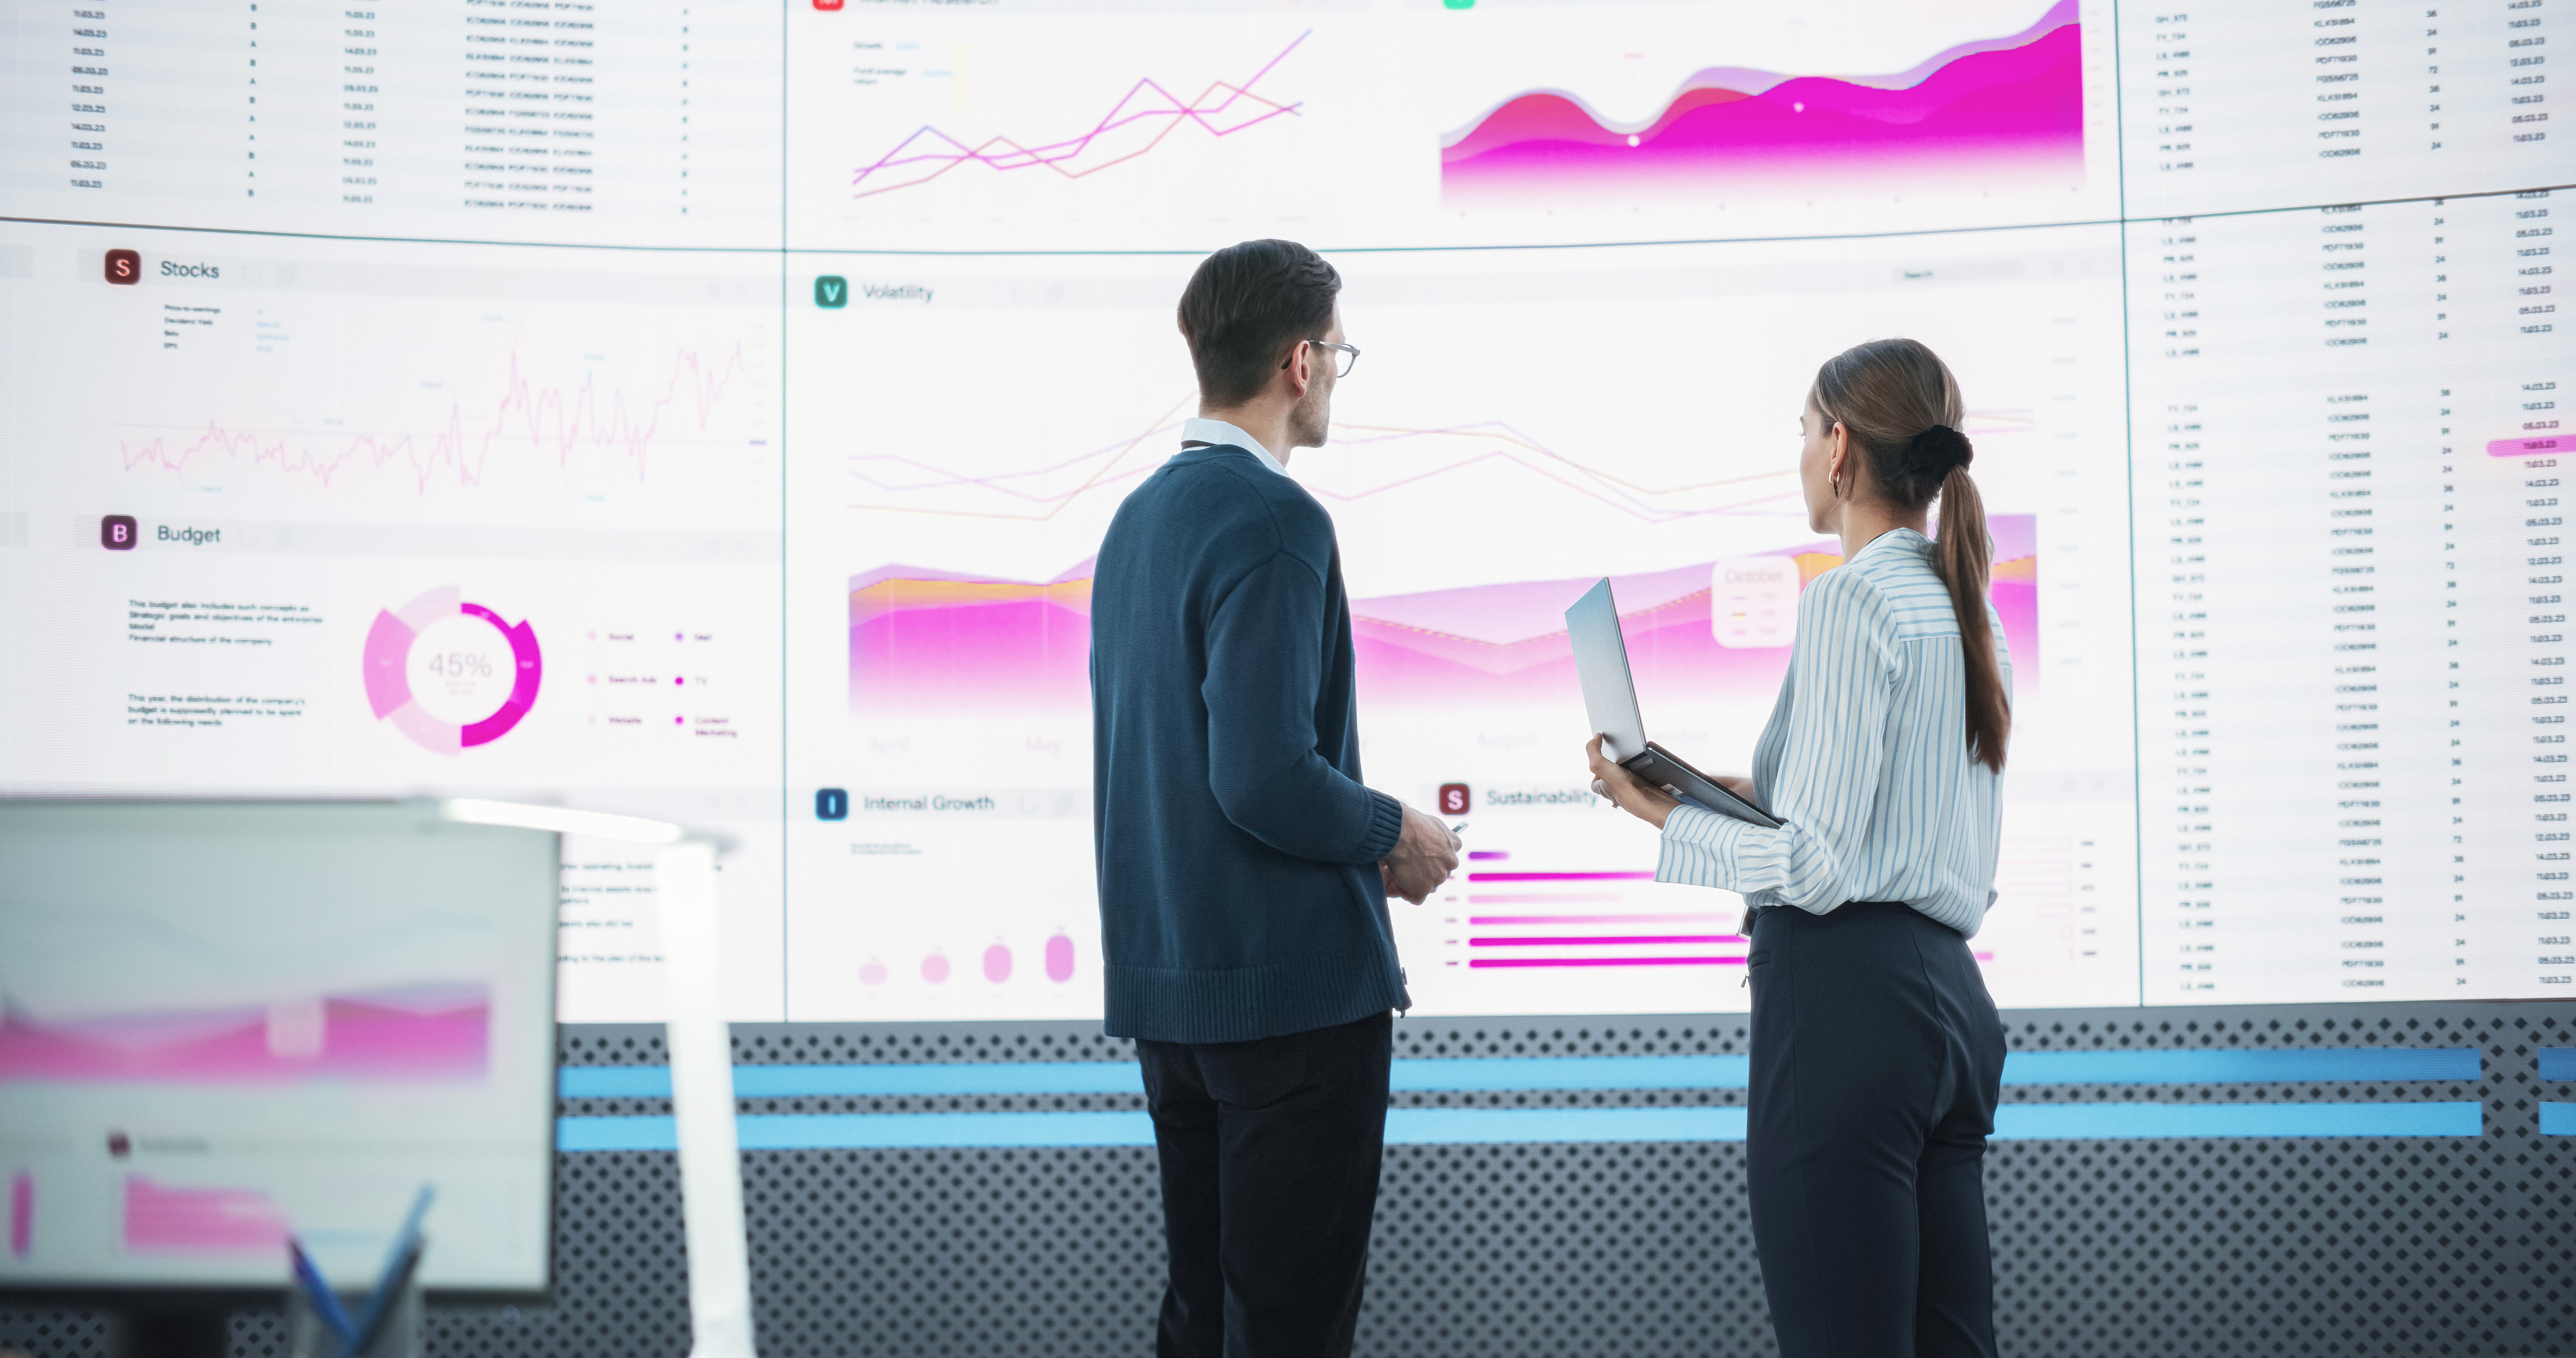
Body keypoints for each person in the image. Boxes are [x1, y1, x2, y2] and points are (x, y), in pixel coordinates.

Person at [1586, 337, 2013, 1358]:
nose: (1799, 456)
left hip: (1847, 1012)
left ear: (1839, 450)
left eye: (1801, 432)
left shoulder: (1851, 599)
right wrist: (1743, 794)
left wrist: (1658, 814)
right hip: (1950, 1008)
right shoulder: (1965, 609)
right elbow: (1880, 820)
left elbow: (1819, 868)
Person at [1089, 238, 1462, 1358]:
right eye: (1340, 351)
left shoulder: (1134, 524)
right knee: (1291, 1331)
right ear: (1302, 362)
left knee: (1205, 1320)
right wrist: (1391, 830)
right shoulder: (1278, 523)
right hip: (1290, 1003)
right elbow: (1259, 774)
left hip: (1177, 1001)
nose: (1338, 372)